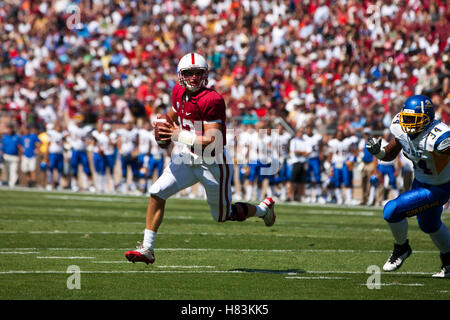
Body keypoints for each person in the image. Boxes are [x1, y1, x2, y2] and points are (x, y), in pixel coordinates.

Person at [125, 52, 275, 264]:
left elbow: (213, 139)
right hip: (187, 157)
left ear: (205, 75)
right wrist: (163, 124)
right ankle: (147, 248)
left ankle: (262, 210)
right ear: (181, 75)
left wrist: (178, 135)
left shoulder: (212, 99)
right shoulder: (177, 91)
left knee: (222, 216)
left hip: (212, 163)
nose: (194, 77)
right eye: (189, 73)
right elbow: (174, 112)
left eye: (198, 73)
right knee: (157, 192)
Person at [366, 95, 450, 278]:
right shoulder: (401, 126)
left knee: (391, 210)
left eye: (415, 120)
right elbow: (390, 153)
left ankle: (401, 248)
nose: (409, 124)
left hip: (438, 188)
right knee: (429, 225)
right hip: (420, 182)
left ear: (428, 119)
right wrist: (379, 152)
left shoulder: (441, 137)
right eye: (407, 118)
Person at [1, 123, 22, 187]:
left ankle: (12, 184)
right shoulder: (4, 137)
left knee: (13, 170)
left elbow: (19, 147)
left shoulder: (16, 137)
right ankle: (9, 183)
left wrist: (20, 156)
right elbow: (2, 147)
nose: (9, 130)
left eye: (10, 129)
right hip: (6, 156)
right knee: (7, 171)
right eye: (8, 129)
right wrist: (2, 155)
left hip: (14, 156)